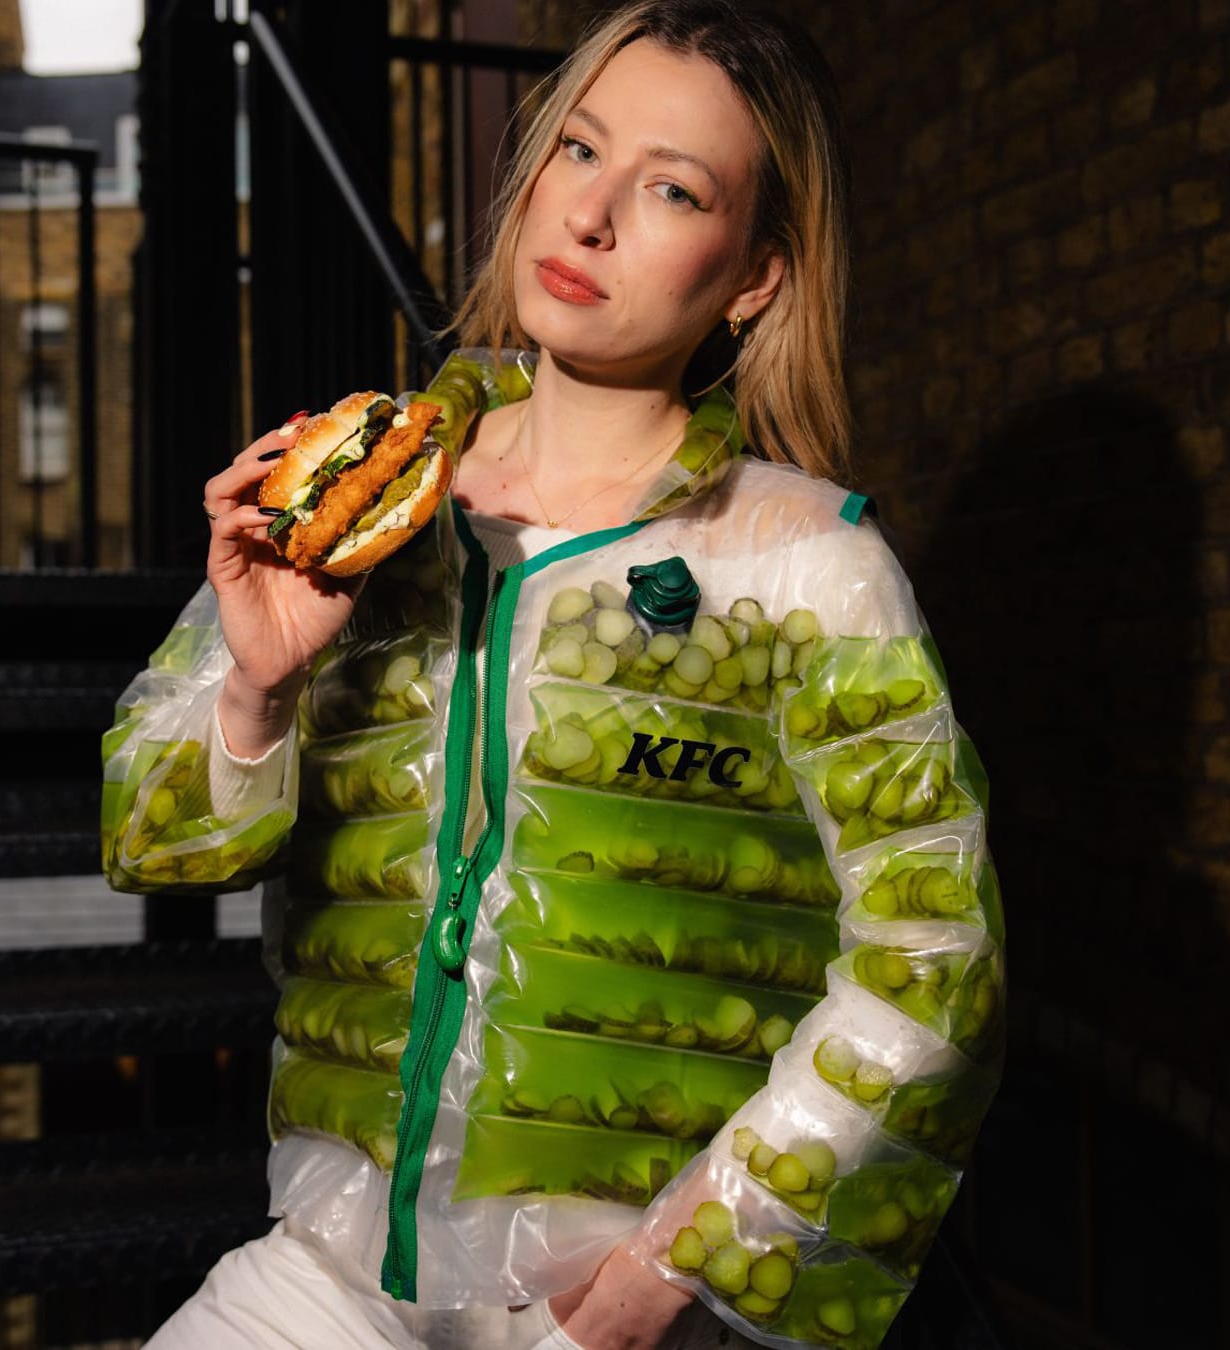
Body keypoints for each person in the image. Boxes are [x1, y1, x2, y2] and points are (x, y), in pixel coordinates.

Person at [102, 3, 1006, 1346]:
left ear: (754, 276)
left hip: (604, 1294)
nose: (589, 216)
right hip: (337, 1271)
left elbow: (937, 957)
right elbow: (151, 846)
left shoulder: (804, 563)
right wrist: (259, 687)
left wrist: (687, 1261)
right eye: (579, 150)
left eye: (672, 189)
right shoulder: (367, 487)